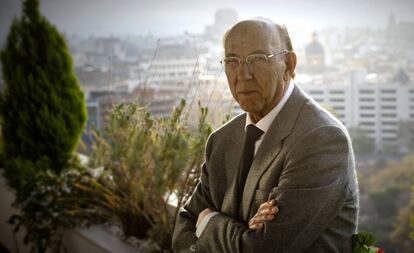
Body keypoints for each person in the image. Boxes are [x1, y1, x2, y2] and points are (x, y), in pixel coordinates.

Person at [172, 18, 359, 252]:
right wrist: (241, 231)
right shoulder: (221, 140)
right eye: (232, 61)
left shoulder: (322, 139)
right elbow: (185, 225)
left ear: (288, 65)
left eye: (258, 59)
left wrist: (210, 222)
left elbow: (264, 249)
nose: (243, 74)